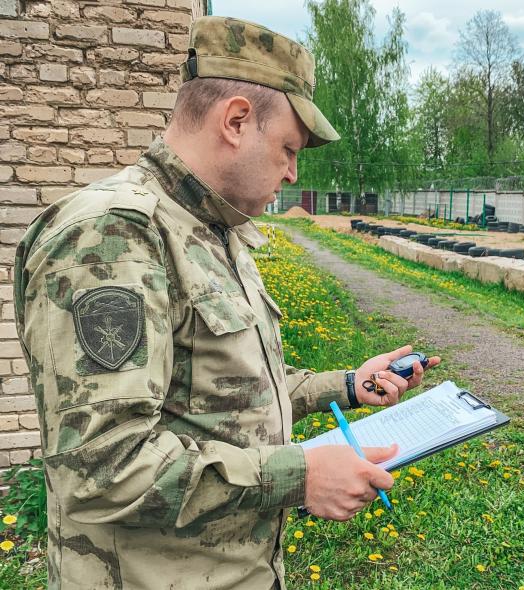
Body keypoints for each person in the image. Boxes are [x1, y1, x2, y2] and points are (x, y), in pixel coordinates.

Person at [13, 16, 440, 589]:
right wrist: (299, 475)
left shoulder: (213, 229)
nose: (291, 173)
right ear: (236, 121)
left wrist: (342, 385)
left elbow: (218, 391)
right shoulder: (112, 237)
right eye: (289, 149)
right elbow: (100, 467)